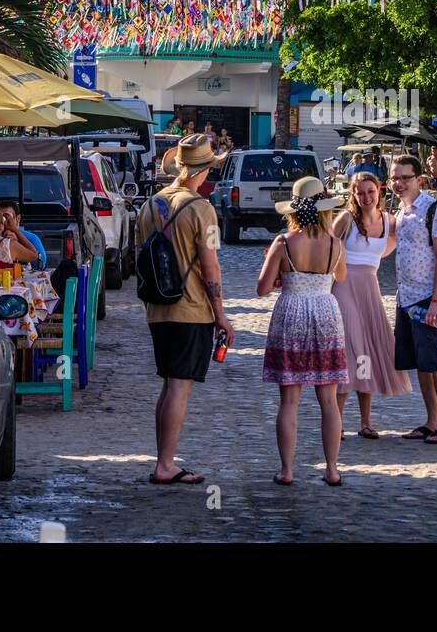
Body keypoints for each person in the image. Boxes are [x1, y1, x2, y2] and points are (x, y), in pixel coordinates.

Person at [137, 134, 234, 486]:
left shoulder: (150, 205)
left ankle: (164, 459)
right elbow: (211, 268)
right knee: (179, 387)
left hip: (157, 310)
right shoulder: (203, 209)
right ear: (206, 170)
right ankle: (165, 465)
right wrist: (221, 315)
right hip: (191, 310)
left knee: (168, 386)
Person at [257, 177, 349, 486]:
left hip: (292, 311)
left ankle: (287, 470)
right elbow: (341, 276)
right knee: (329, 399)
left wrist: (284, 275)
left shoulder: (284, 242)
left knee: (289, 400)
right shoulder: (336, 243)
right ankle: (332, 468)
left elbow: (262, 288)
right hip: (325, 311)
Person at [330, 172, 411, 440]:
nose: (366, 197)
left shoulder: (390, 223)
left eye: (370, 191)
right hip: (343, 286)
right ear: (353, 194)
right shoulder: (346, 220)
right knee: (351, 350)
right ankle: (337, 423)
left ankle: (365, 422)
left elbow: (400, 246)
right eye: (360, 192)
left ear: (379, 191)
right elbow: (326, 248)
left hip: (370, 289)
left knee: (367, 353)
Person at [389, 154, 437, 444]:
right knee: (421, 362)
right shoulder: (401, 214)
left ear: (419, 179)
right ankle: (431, 420)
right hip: (406, 298)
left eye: (405, 177)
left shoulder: (434, 210)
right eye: (394, 177)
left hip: (430, 296)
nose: (399, 183)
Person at [0, 200, 44, 268]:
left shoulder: (32, 239)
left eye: (6, 217)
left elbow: (40, 264)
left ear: (18, 218)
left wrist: (17, 245)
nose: (3, 221)